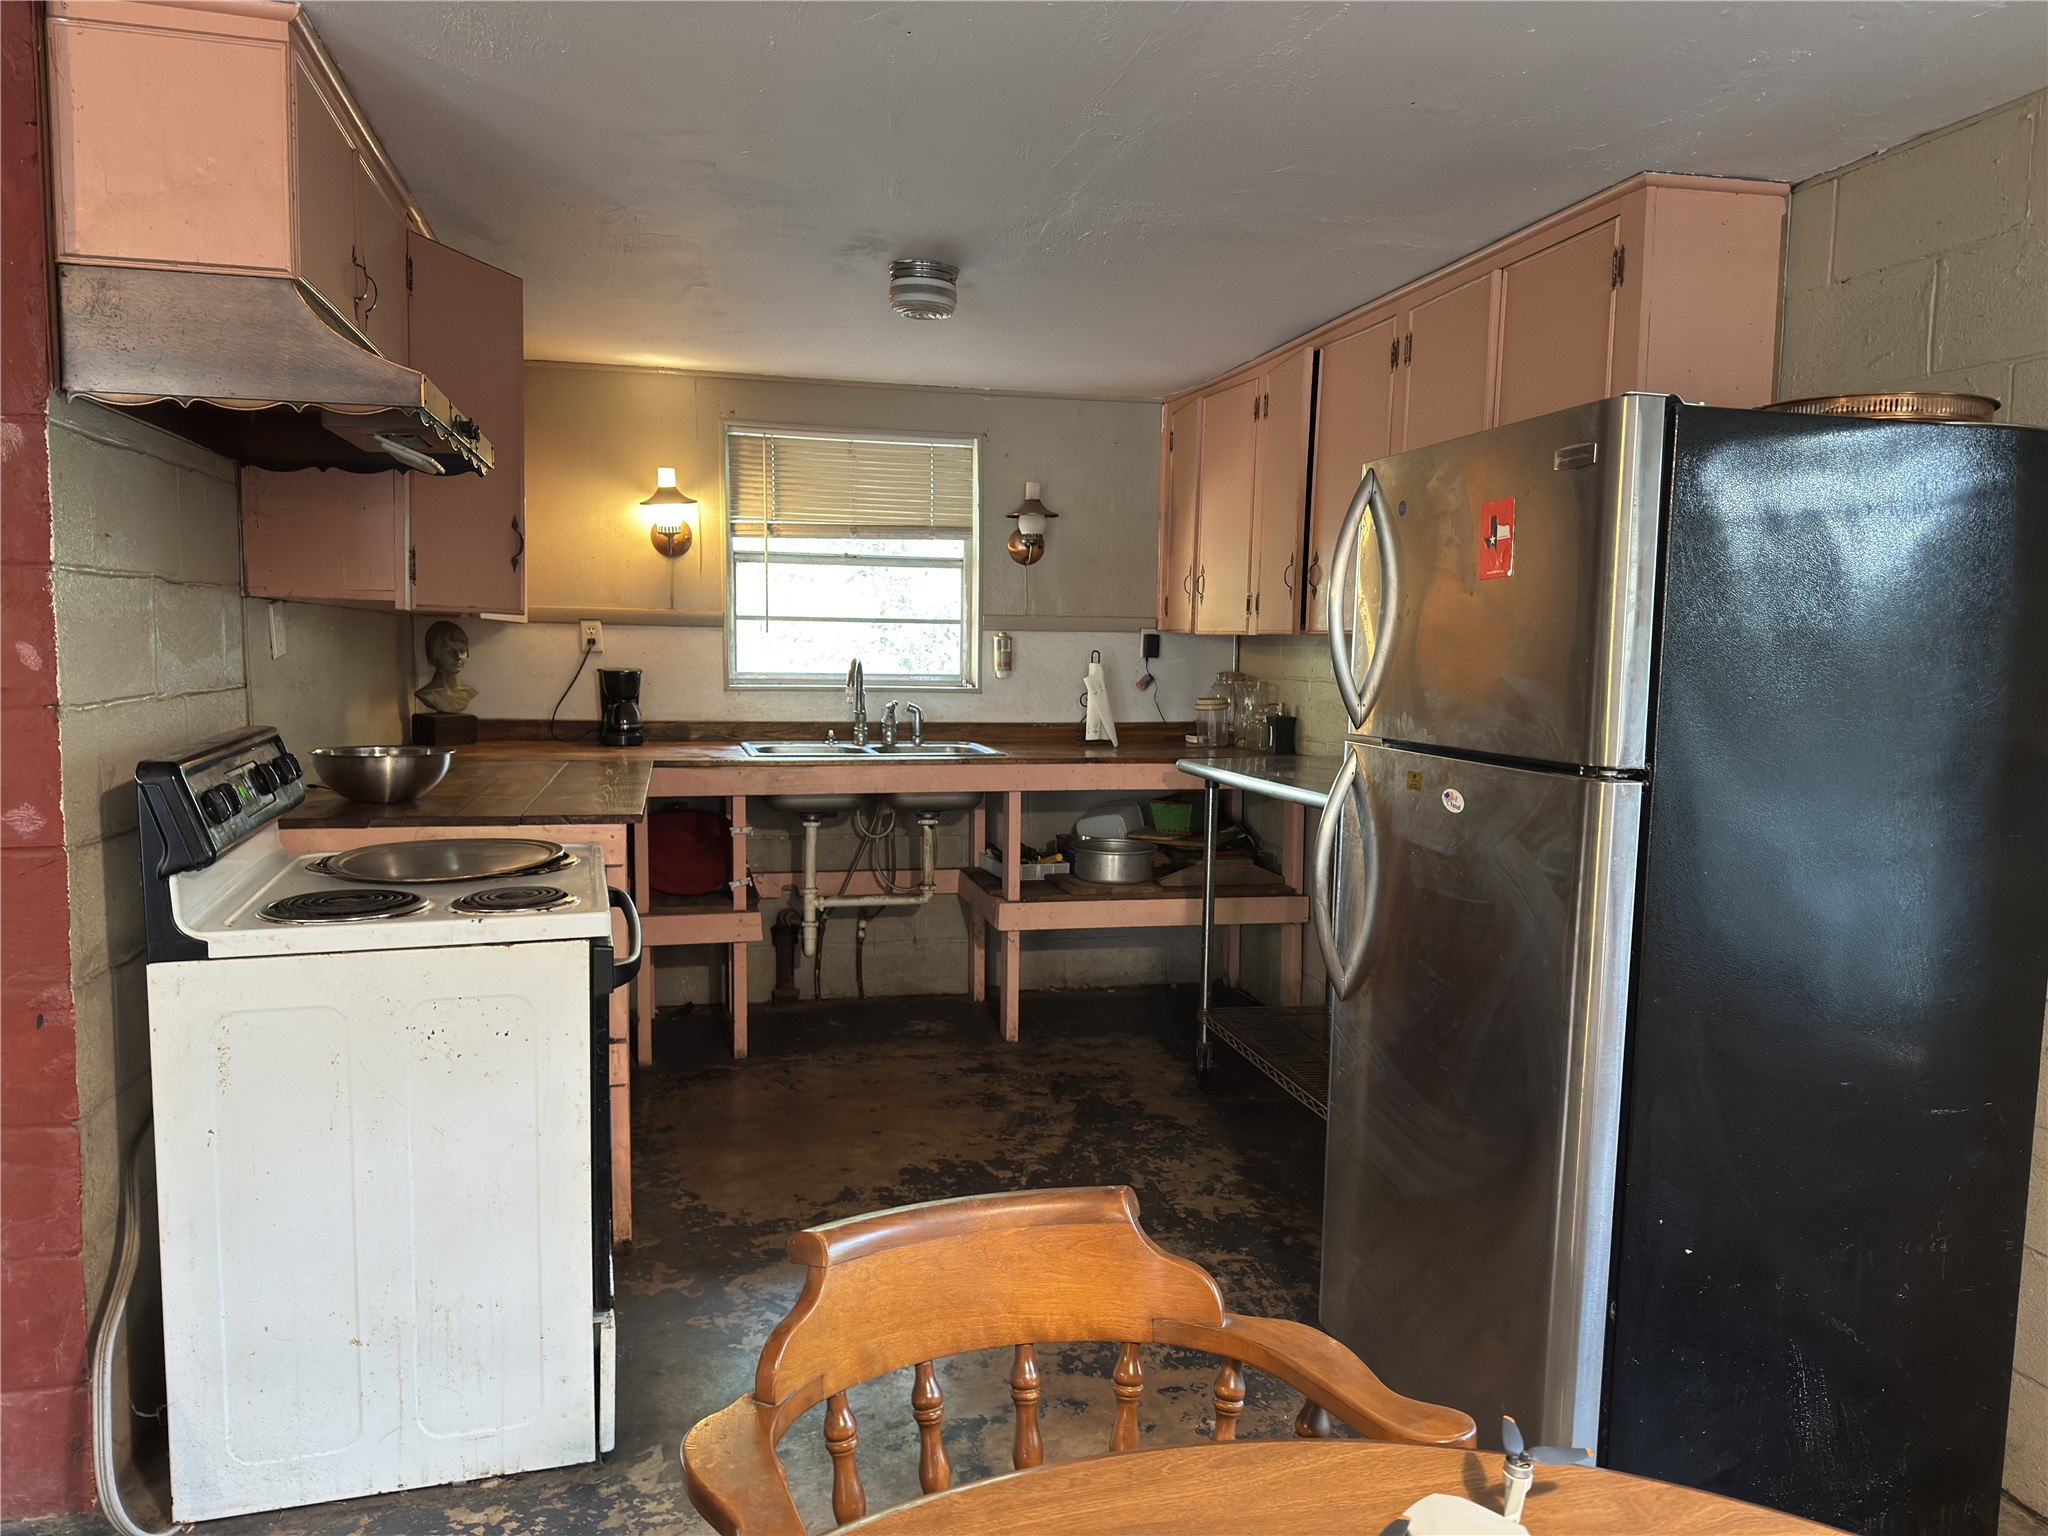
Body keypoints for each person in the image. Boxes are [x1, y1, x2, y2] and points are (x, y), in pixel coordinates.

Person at [414, 620, 477, 714]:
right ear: (435, 654)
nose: (458, 656)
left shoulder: (469, 692)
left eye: (462, 651)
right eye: (449, 651)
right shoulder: (428, 695)